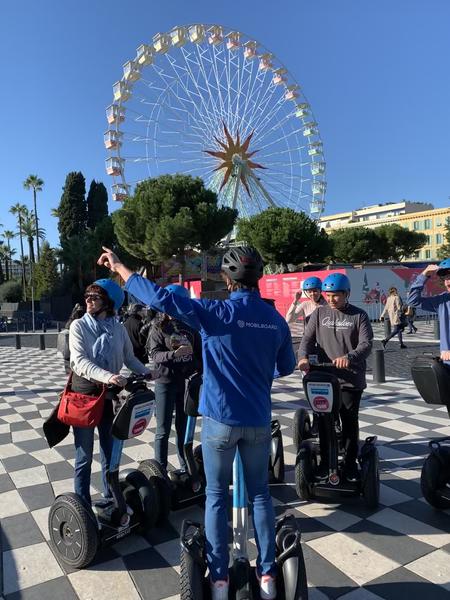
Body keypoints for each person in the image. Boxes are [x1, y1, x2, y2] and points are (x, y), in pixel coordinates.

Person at [97, 245, 295, 600]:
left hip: (221, 421)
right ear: (259, 277)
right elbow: (288, 367)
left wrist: (122, 268)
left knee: (217, 496)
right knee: (261, 496)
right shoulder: (275, 319)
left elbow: (161, 299)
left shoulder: (215, 312)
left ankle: (218, 580)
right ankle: (267, 576)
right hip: (258, 421)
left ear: (226, 278)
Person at [69, 279, 151, 507]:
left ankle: (110, 497)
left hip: (108, 397)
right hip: (85, 398)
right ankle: (82, 508)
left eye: (94, 297)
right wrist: (108, 376)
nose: (88, 300)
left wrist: (147, 372)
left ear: (109, 302)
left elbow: (129, 357)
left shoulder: (118, 327)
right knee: (84, 457)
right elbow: (80, 361)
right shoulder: (79, 327)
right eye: (87, 296)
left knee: (109, 451)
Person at [298, 273, 373, 483]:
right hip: (324, 378)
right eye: (328, 295)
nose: (331, 299)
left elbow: (366, 345)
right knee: (324, 422)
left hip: (350, 380)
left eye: (336, 296)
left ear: (347, 294)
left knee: (349, 424)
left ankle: (349, 464)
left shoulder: (359, 316)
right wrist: (302, 357)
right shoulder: (320, 314)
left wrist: (349, 357)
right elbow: (306, 339)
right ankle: (325, 463)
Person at [147, 285, 202, 477]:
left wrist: (198, 371)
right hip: (164, 382)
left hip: (185, 383)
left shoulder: (190, 326)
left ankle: (185, 465)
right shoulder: (158, 327)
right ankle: (159, 470)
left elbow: (199, 354)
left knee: (183, 428)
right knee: (162, 429)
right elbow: (154, 355)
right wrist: (174, 354)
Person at [407, 259, 450, 361]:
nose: (447, 281)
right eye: (445, 278)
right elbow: (413, 301)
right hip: (446, 362)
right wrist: (424, 275)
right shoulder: (442, 301)